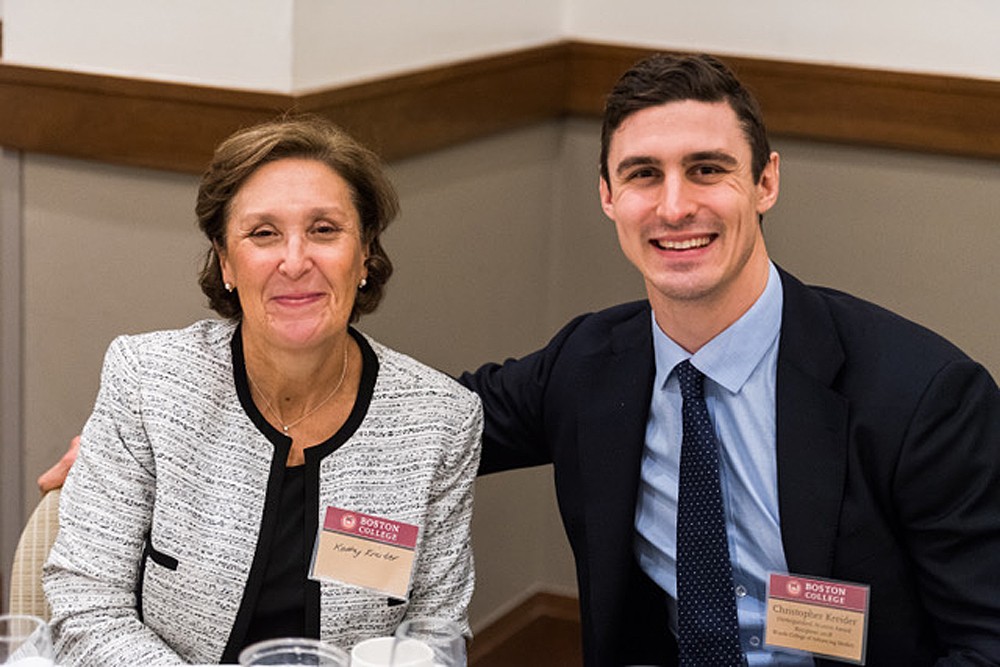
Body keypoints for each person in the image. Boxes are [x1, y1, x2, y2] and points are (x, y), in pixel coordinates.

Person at [41, 55, 1000, 666]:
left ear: (765, 180)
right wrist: (151, 430)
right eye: (642, 176)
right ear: (607, 199)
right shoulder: (594, 364)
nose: (675, 206)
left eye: (707, 169)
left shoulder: (920, 394)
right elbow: (408, 417)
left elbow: (984, 640)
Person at [41, 116, 482, 666]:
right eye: (263, 233)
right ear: (225, 261)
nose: (295, 262)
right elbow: (86, 605)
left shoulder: (440, 421)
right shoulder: (148, 382)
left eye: (324, 230)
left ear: (365, 254)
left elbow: (435, 635)